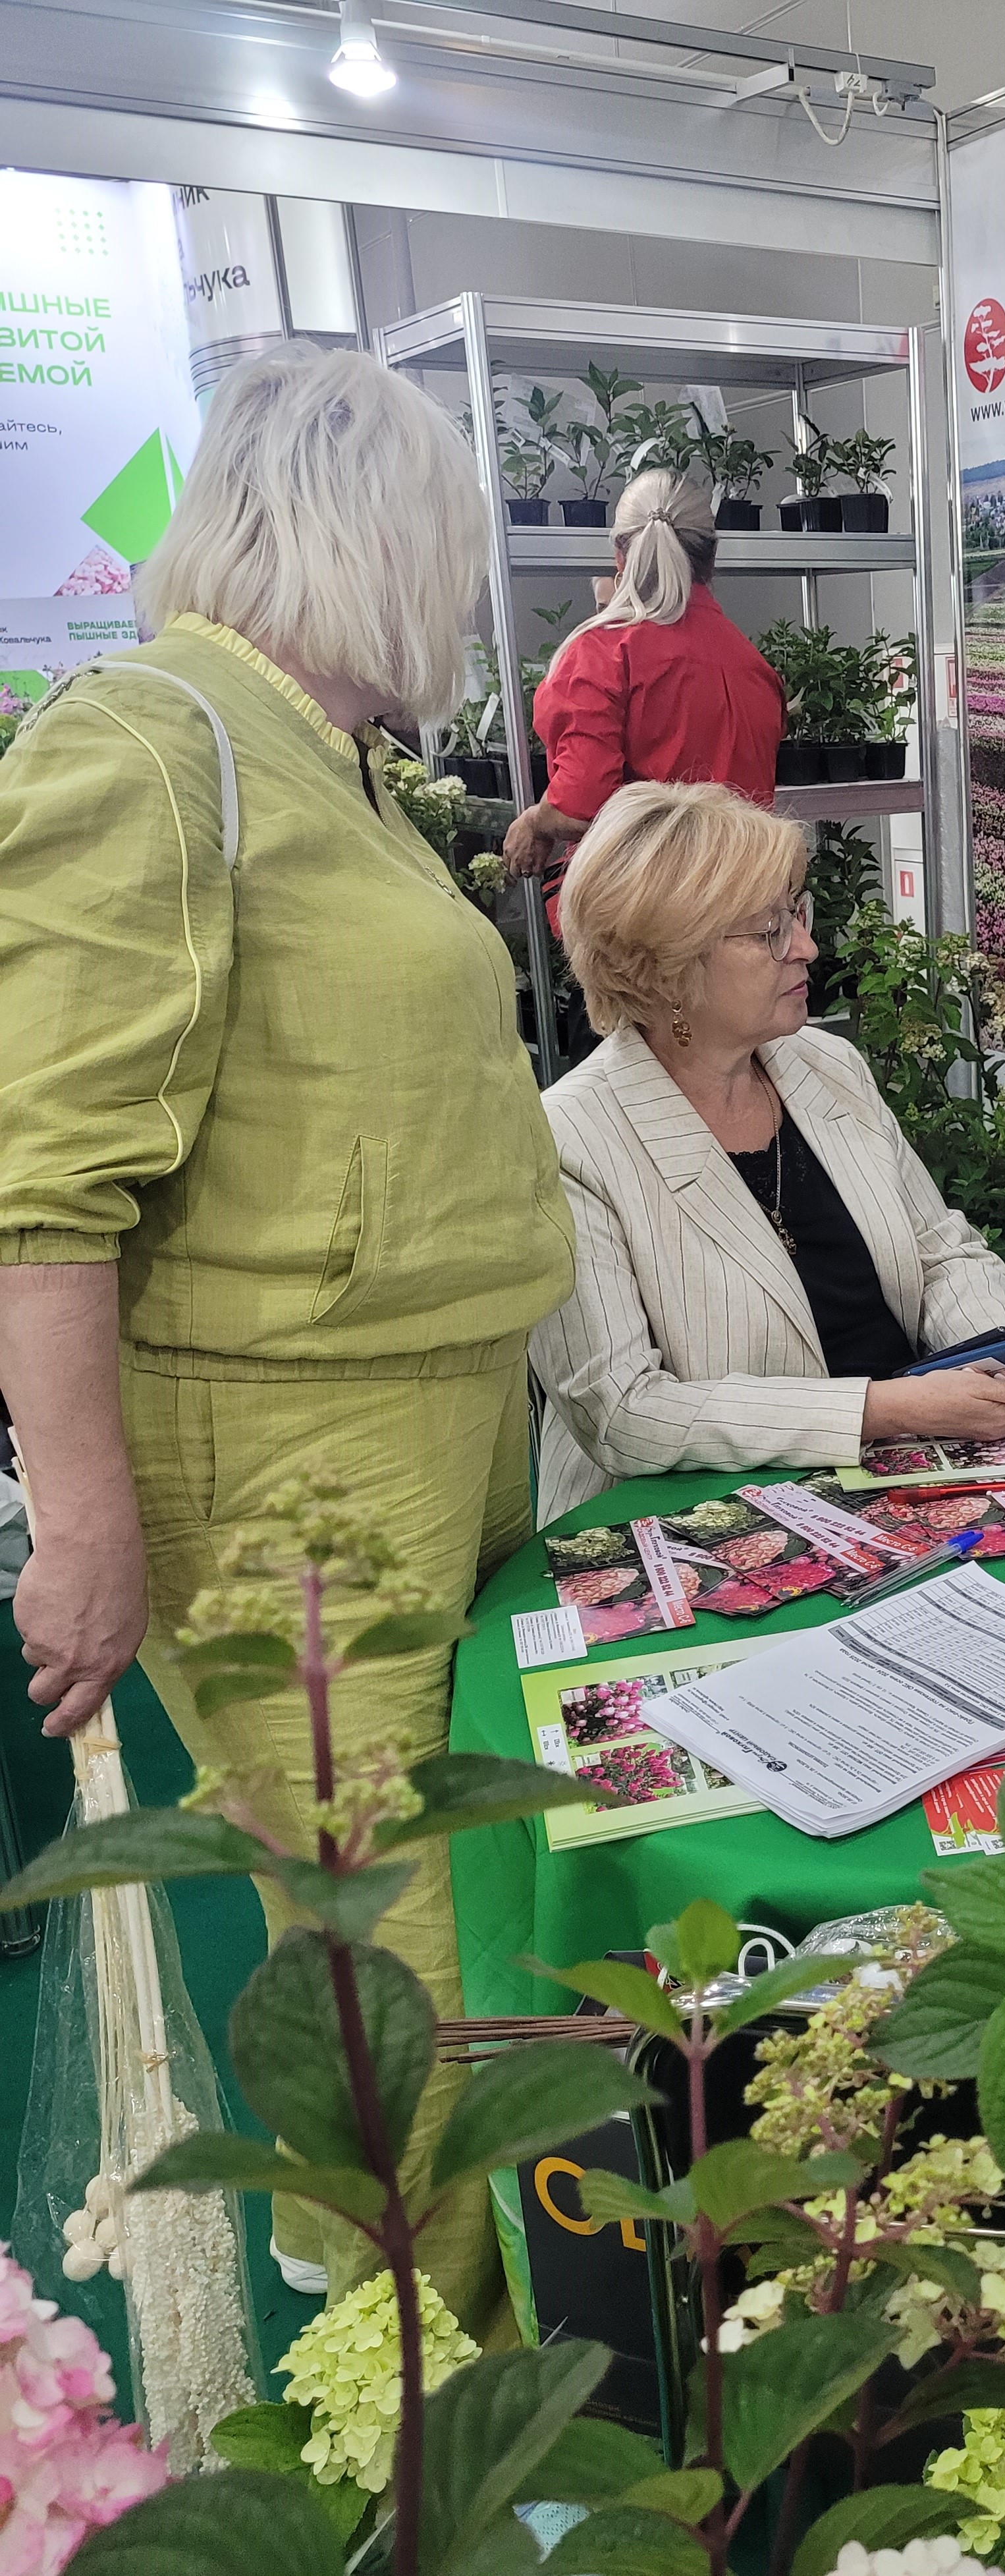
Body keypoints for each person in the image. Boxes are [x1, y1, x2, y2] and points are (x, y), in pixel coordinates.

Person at [0, 343, 576, 2337]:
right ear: (367, 534)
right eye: (444, 547)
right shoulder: (150, 741)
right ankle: (413, 2385)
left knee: (435, 1916)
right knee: (384, 1959)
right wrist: (82, 1517)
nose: (454, 596)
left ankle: (455, 2345)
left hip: (413, 1428)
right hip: (287, 1462)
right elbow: (41, 1184)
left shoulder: (315, 755)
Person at [530, 779, 1005, 1519]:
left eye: (797, 914)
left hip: (912, 1477)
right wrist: (884, 1408)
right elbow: (624, 1411)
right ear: (665, 967)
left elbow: (943, 1251)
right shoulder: (572, 1140)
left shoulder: (825, 1065)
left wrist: (987, 1357)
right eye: (769, 932)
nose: (808, 947)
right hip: (701, 1524)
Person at [501, 467, 786, 934]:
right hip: (745, 917)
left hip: (648, 926)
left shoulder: (601, 654)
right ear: (711, 558)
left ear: (620, 554)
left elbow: (580, 807)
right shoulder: (751, 665)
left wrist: (535, 822)